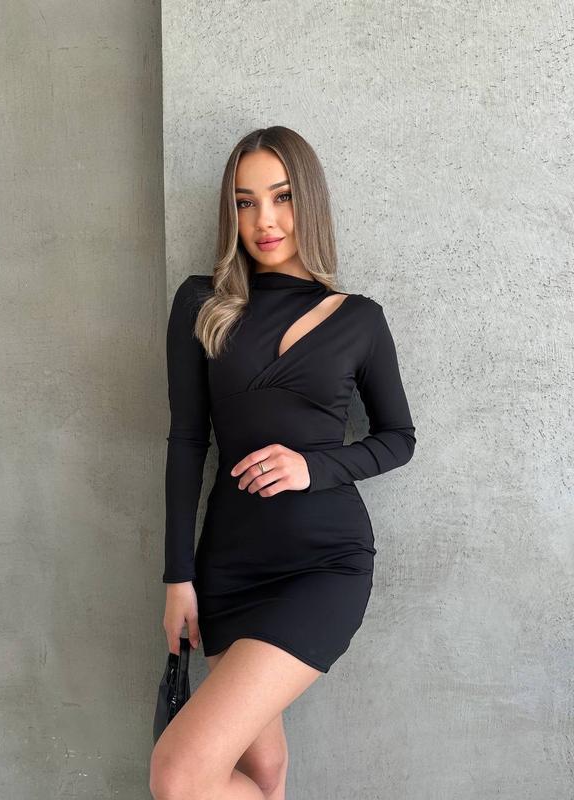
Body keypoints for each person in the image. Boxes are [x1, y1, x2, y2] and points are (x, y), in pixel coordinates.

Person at [149, 126, 416, 800]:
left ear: (310, 201)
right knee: (263, 778)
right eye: (245, 203)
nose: (264, 220)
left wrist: (313, 467)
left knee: (179, 777)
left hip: (324, 566)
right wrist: (178, 577)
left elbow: (400, 438)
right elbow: (186, 442)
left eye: (282, 197)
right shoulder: (202, 303)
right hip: (230, 569)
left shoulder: (359, 319)